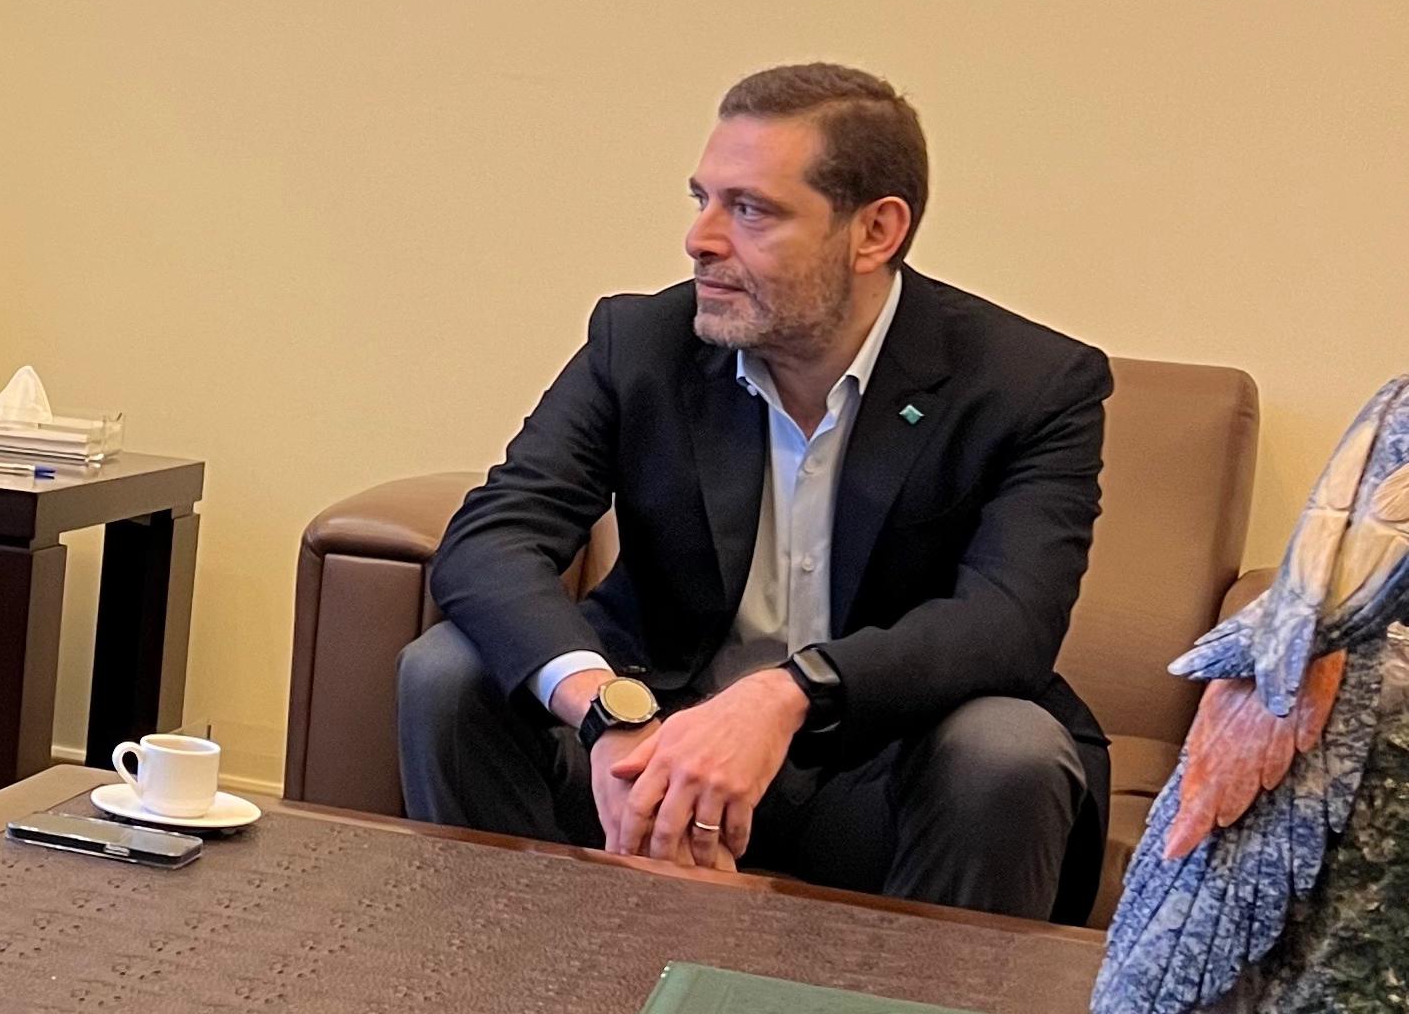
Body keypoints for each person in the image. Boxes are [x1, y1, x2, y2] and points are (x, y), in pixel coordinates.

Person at [397, 63, 1110, 921]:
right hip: (650, 743)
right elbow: (493, 538)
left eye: (749, 210)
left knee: (1006, 748)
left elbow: (1007, 622)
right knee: (447, 670)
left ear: (874, 231)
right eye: (702, 199)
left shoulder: (1028, 384)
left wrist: (783, 695)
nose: (699, 238)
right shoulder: (642, 342)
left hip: (881, 771)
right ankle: (500, 968)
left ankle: (923, 1011)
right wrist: (607, 714)